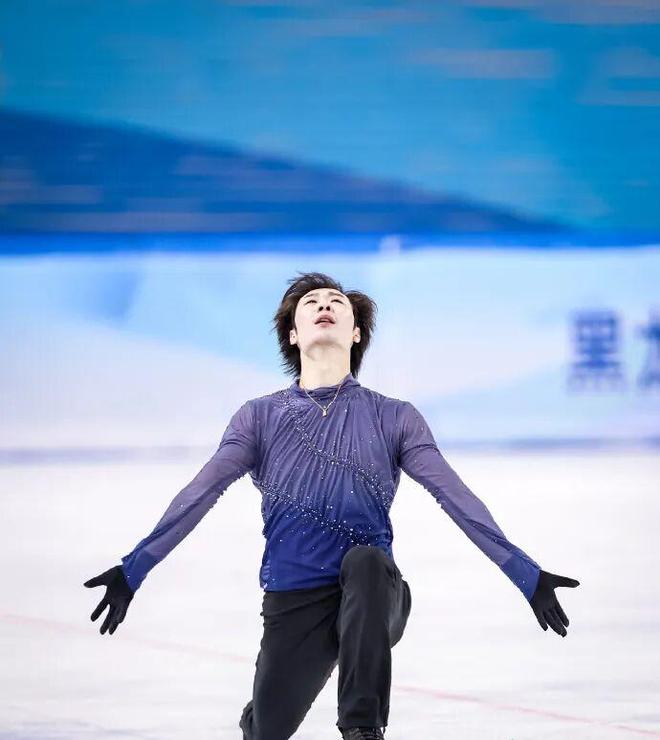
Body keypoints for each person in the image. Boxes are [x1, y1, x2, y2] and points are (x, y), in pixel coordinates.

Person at [84, 271, 580, 740]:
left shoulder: (394, 417)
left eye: (337, 302)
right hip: (294, 598)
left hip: (374, 594)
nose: (324, 305)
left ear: (356, 332)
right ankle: (260, 717)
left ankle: (362, 729)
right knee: (268, 730)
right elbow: (200, 492)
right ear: (293, 335)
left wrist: (526, 575)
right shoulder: (259, 417)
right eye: (311, 303)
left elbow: (455, 496)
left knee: (365, 563)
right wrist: (134, 569)